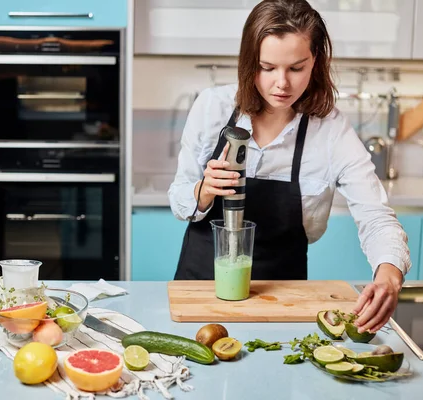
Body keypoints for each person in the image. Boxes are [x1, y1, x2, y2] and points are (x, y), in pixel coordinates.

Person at [168, 0, 410, 335]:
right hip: (200, 293)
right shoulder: (213, 106)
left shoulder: (330, 130)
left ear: (315, 62)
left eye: (296, 68)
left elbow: (375, 215)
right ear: (249, 62)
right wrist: (203, 190)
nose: (281, 83)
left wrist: (389, 275)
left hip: (284, 301)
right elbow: (179, 197)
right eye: (266, 67)